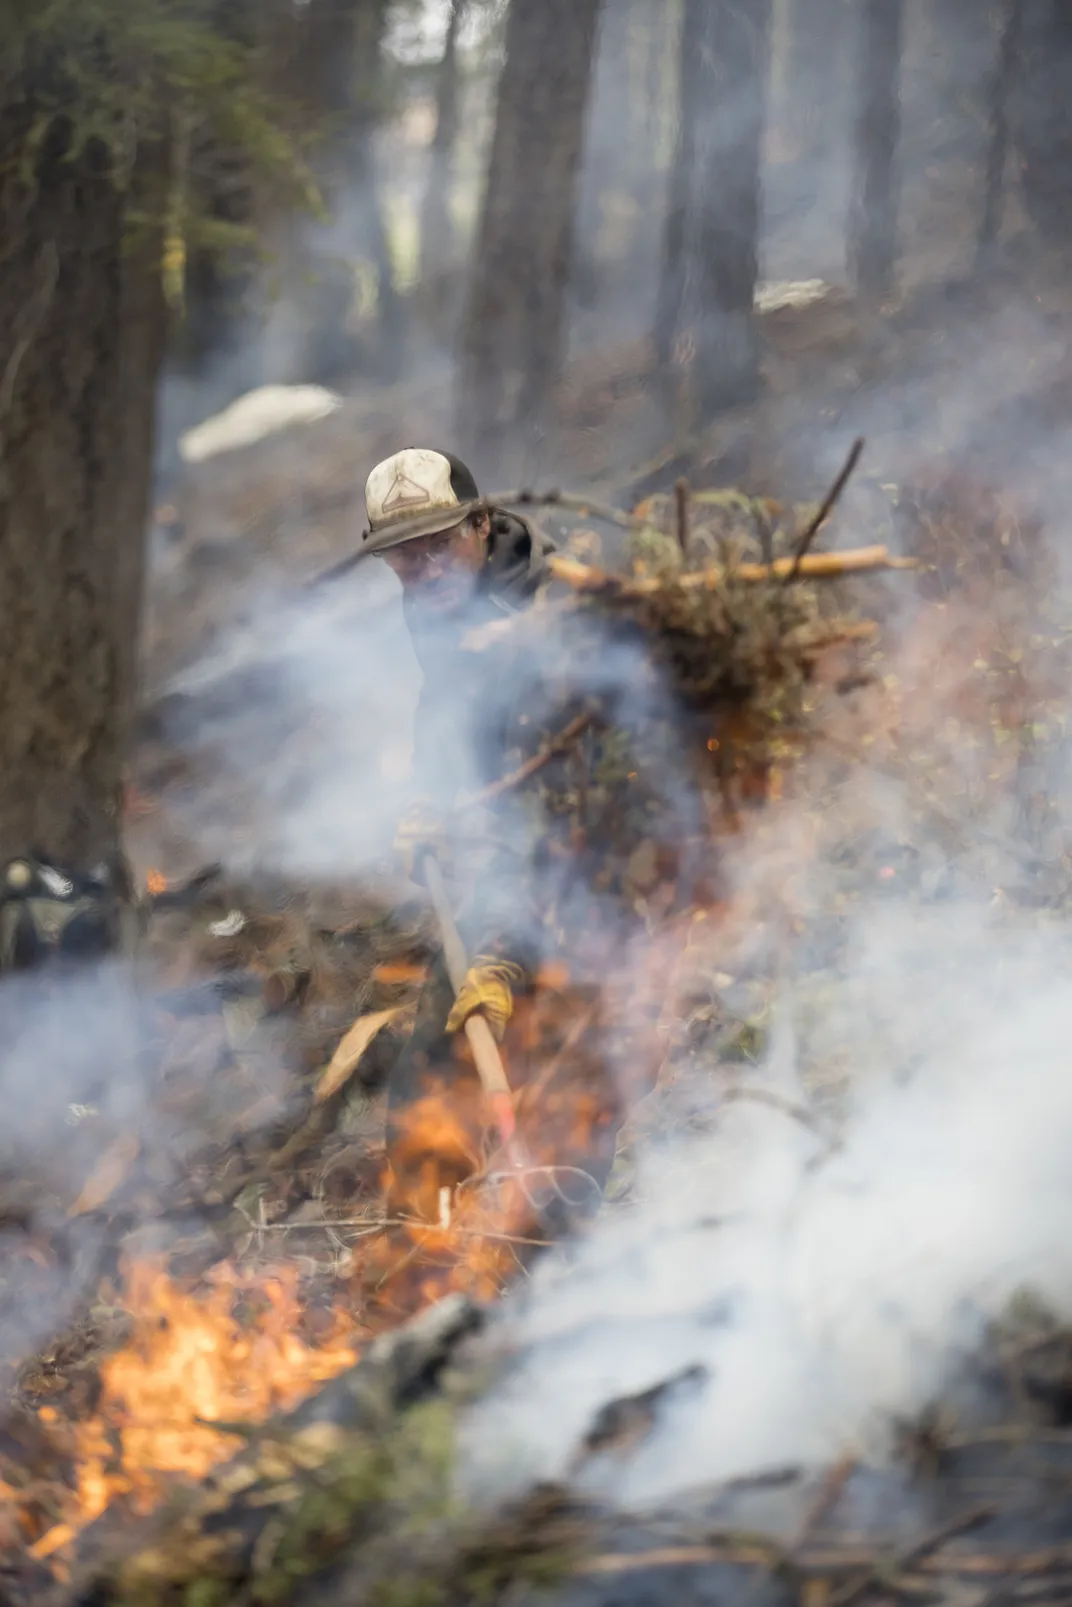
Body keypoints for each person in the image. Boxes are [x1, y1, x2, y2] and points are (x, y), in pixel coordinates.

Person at [359, 448, 701, 1229]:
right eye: (402, 558)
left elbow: (571, 817)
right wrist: (431, 798)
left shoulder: (549, 626)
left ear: (480, 525)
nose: (422, 568)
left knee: (564, 1091)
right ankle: (420, 1263)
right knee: (430, 1088)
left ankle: (559, 1282)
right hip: (514, 871)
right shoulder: (440, 603)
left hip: (602, 873)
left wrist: (505, 953)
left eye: (438, 543)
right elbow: (448, 714)